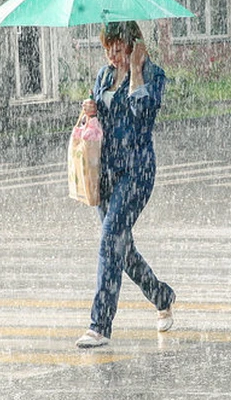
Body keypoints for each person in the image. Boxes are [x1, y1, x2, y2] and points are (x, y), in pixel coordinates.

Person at [75, 20, 176, 348]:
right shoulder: (103, 76)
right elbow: (96, 116)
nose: (112, 56)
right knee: (123, 249)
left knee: (109, 239)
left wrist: (135, 71)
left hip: (136, 173)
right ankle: (161, 295)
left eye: (118, 49)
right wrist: (89, 109)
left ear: (134, 46)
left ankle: (99, 325)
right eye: (108, 49)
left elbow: (141, 112)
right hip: (104, 173)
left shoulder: (153, 75)